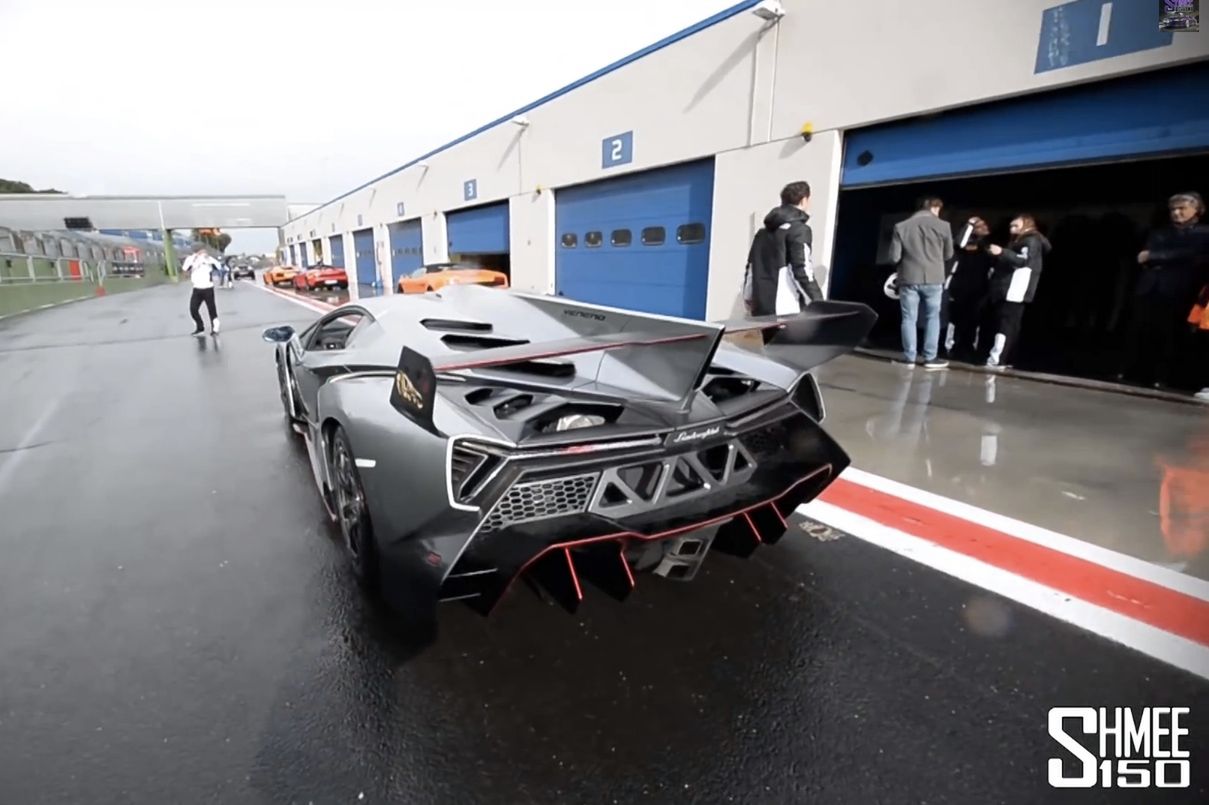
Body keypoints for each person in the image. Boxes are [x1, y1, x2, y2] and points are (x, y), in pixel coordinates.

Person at [1117, 192, 1209, 389]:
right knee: (1140, 332)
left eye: (1181, 209)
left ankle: (1164, 377)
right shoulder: (1159, 232)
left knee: (1171, 336)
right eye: (1173, 210)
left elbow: (1195, 257)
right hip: (1150, 287)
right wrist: (1161, 257)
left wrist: (1156, 256)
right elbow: (1142, 257)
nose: (1176, 213)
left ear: (1197, 210)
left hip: (1179, 289)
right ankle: (1133, 373)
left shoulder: (1204, 233)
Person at [743, 181, 823, 342]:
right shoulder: (799, 230)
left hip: (763, 310)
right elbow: (802, 270)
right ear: (804, 200)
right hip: (786, 310)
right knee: (791, 360)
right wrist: (819, 304)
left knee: (771, 357)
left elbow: (751, 268)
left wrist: (748, 296)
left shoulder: (763, 233)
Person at [888, 196, 953, 369]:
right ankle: (930, 358)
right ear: (933, 208)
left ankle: (909, 357)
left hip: (909, 278)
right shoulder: (944, 226)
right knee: (933, 317)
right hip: (934, 278)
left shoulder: (901, 227)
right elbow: (948, 255)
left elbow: (894, 257)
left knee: (909, 318)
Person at [984, 214, 1050, 370]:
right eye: (1011, 226)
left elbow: (1024, 261)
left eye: (1016, 226)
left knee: (1005, 324)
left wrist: (1002, 252)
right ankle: (1006, 358)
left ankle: (997, 358)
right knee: (1011, 325)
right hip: (1013, 288)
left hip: (1014, 288)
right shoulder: (1021, 240)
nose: (1012, 229)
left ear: (1027, 225)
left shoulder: (1030, 241)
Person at [945, 216, 994, 362]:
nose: (985, 227)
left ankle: (967, 347)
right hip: (961, 286)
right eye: (981, 225)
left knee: (973, 320)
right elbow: (959, 243)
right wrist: (969, 224)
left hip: (979, 288)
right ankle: (954, 346)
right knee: (957, 318)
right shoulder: (962, 246)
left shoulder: (986, 247)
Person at [182, 245, 221, 335]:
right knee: (193, 309)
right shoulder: (190, 258)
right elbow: (185, 268)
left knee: (211, 310)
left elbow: (218, 266)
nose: (201, 252)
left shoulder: (209, 259)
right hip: (197, 288)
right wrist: (194, 258)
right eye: (199, 251)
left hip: (208, 287)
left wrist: (208, 259)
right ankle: (200, 327)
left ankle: (215, 328)